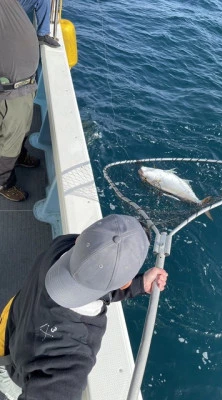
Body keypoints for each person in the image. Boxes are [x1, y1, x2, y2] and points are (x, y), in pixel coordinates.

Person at [0, 214, 168, 400]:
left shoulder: (62, 245)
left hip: (10, 321)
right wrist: (130, 284)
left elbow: (92, 272)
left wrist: (139, 284)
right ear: (123, 284)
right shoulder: (73, 357)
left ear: (81, 239)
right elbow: (99, 281)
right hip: (12, 368)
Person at [0, 0, 40, 202]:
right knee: (9, 143)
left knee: (22, 130)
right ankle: (4, 183)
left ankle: (20, 156)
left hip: (25, 86)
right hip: (10, 92)